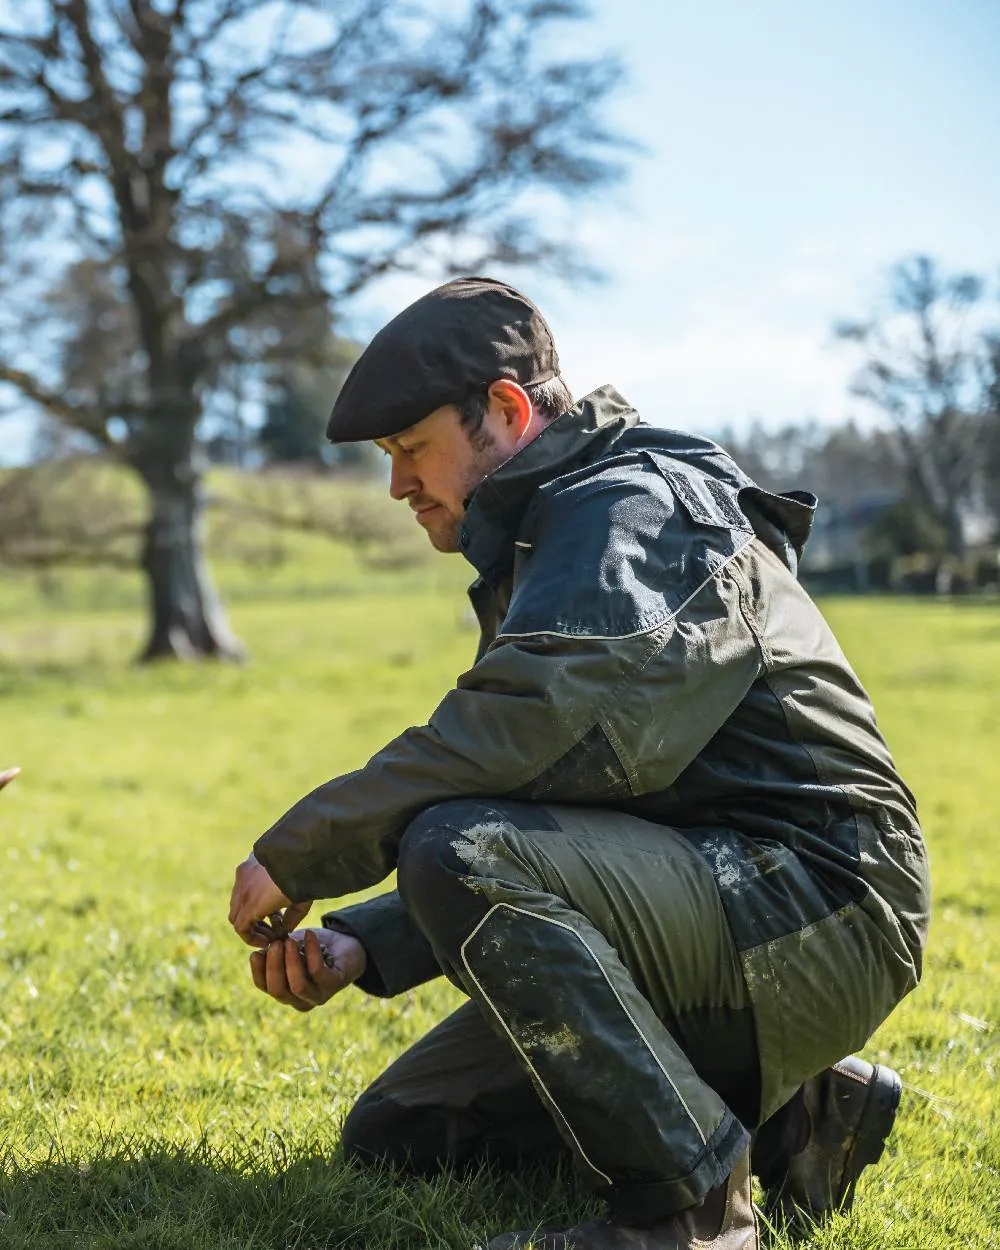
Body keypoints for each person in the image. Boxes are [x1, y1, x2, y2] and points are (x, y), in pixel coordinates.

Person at [229, 277, 930, 1249]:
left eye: (409, 450)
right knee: (407, 1131)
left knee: (453, 842)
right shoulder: (552, 526)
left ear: (507, 411)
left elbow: (530, 730)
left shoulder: (633, 507)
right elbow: (555, 807)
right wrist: (366, 939)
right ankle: (801, 1115)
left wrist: (306, 848)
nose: (396, 485)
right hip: (722, 899)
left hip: (816, 903)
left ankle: (688, 1214)